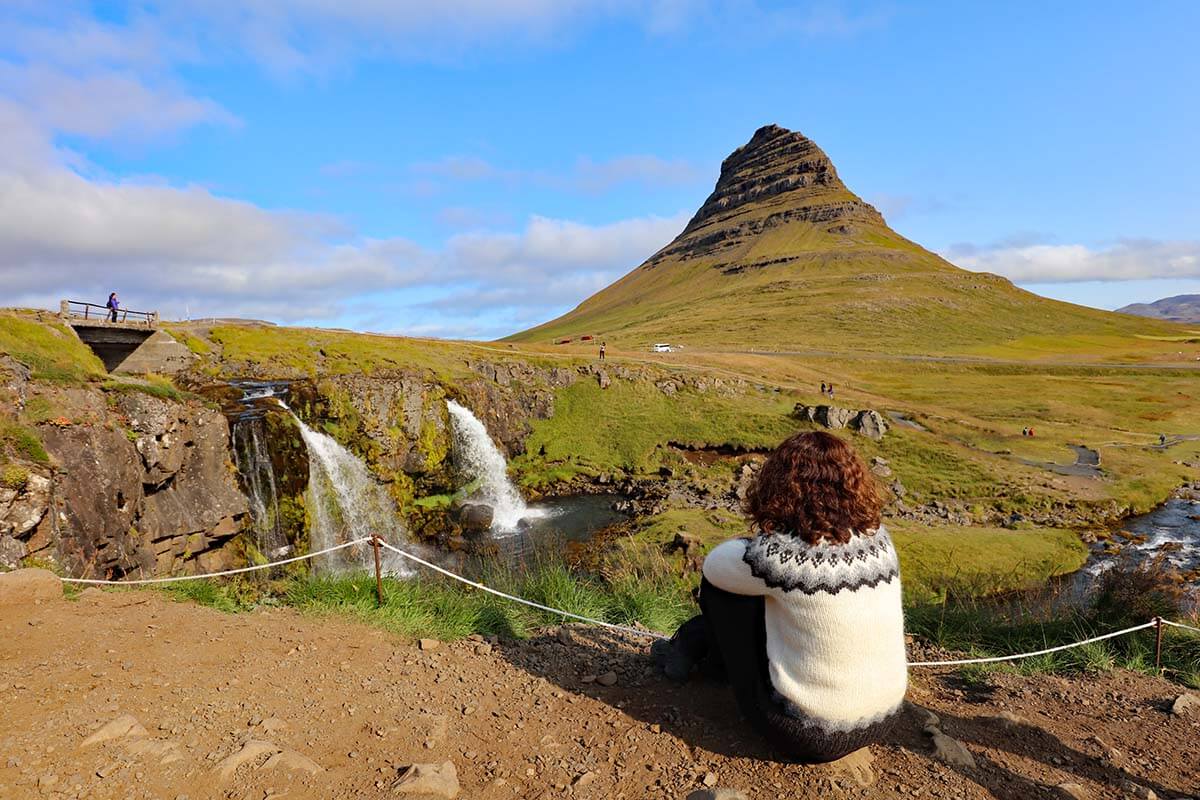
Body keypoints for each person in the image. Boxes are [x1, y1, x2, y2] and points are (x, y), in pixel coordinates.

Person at [651, 431, 907, 762]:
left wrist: (761, 544)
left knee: (726, 591)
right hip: (884, 718)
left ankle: (700, 658)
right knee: (766, 591)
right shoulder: (879, 539)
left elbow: (714, 566)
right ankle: (693, 651)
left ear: (780, 485)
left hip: (806, 733)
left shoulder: (779, 557)